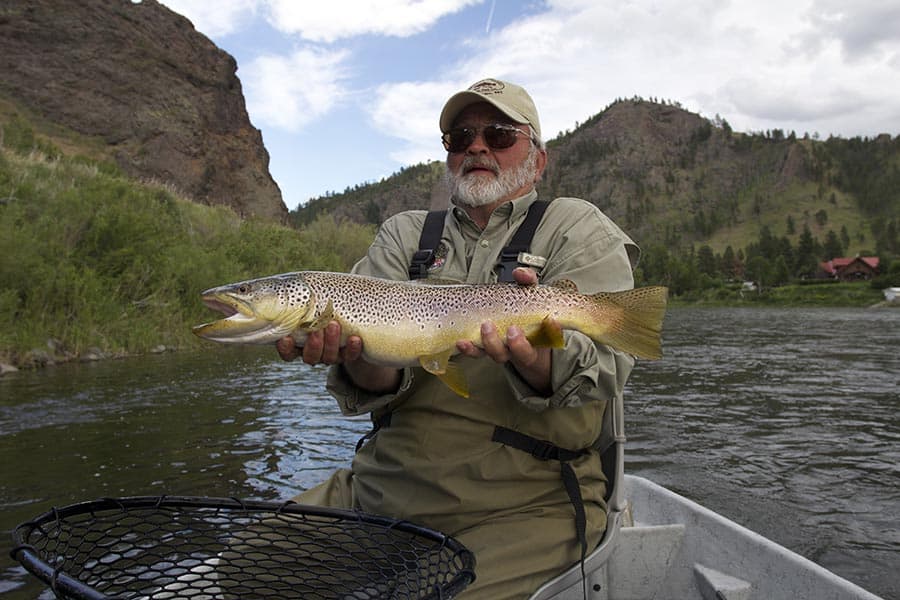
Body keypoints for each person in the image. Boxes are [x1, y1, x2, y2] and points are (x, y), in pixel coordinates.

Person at [276, 78, 639, 599]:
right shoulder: (404, 235)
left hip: (526, 505)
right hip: (384, 490)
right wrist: (356, 355)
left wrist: (536, 358)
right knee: (246, 563)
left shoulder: (576, 228)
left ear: (537, 159)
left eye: (498, 134)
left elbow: (611, 366)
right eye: (460, 136)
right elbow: (376, 372)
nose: (476, 146)